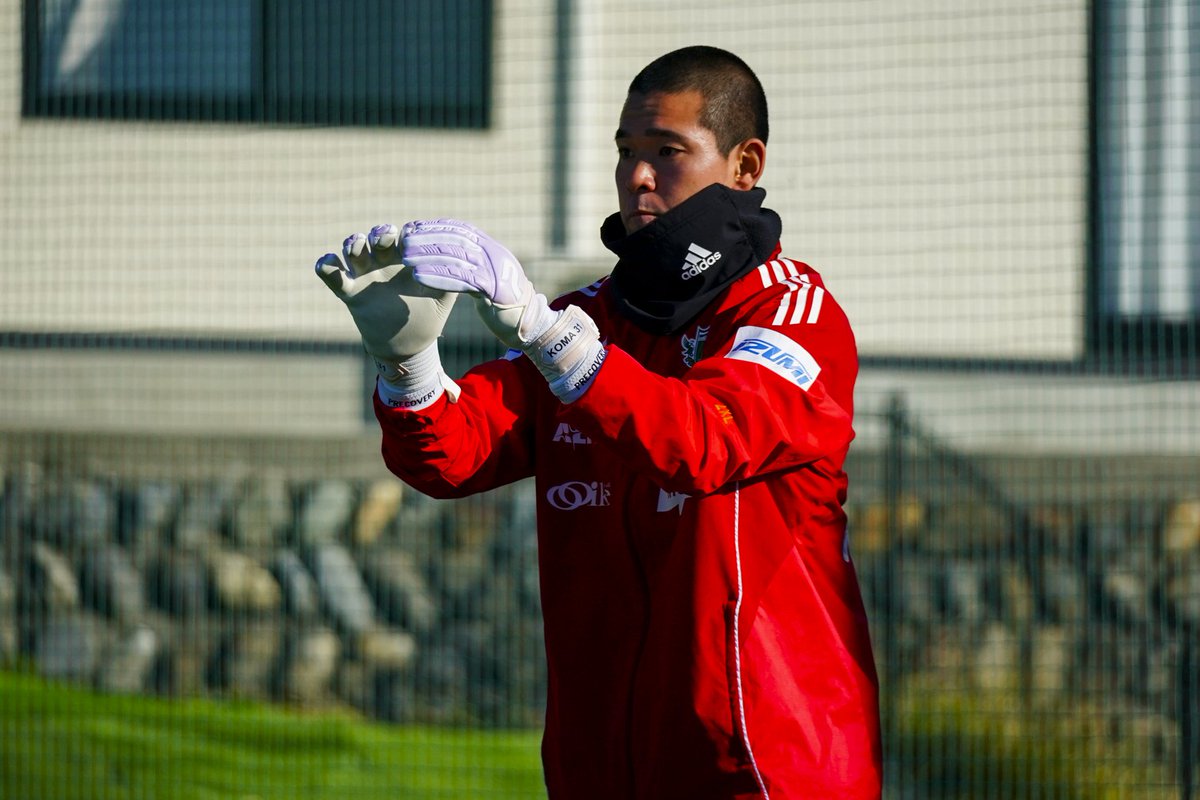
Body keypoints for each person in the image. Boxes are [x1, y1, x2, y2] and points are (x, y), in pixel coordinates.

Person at [316, 45, 882, 799]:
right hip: (602, 770)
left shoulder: (792, 313)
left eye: (668, 151)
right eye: (626, 151)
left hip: (767, 772)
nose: (637, 175)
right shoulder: (591, 318)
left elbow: (704, 440)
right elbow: (453, 457)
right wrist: (409, 363)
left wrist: (542, 329)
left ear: (746, 165)